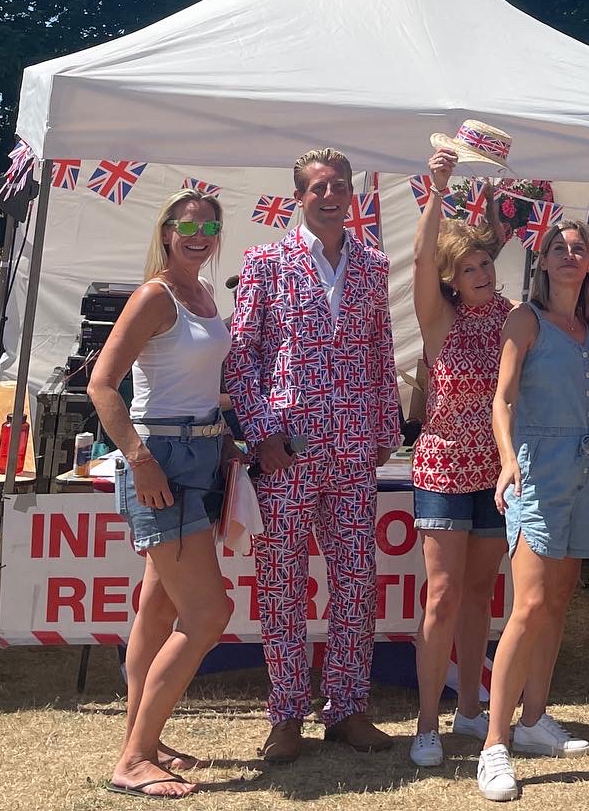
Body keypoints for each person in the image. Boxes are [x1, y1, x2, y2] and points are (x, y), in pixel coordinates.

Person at [224, 148, 399, 762]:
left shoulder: (373, 264)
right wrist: (261, 433)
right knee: (281, 583)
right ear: (298, 197)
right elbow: (241, 357)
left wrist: (385, 426)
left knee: (356, 580)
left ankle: (348, 708)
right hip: (285, 452)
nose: (329, 196)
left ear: (352, 194)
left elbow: (380, 350)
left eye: (339, 186)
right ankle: (286, 713)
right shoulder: (265, 262)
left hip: (353, 449)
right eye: (318, 188)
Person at [88, 189, 235, 799]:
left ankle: (140, 739)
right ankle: (136, 758)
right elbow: (102, 385)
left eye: (210, 228)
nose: (199, 237)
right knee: (209, 614)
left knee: (157, 610)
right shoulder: (155, 295)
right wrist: (140, 460)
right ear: (167, 231)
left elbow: (193, 381)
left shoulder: (205, 294)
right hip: (163, 459)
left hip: (201, 453)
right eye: (188, 227)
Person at [478, 219, 589, 802]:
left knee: (557, 601)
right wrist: (508, 459)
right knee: (527, 605)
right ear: (543, 261)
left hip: (585, 471)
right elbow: (502, 398)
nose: (569, 255)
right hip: (537, 470)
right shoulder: (524, 320)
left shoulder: (587, 326)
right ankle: (494, 744)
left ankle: (533, 720)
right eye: (558, 248)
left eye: (579, 248)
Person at [408, 147, 512, 768]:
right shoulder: (439, 318)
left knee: (480, 594)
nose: (481, 274)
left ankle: (471, 708)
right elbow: (422, 258)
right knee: (442, 596)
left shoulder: (512, 317)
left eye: (486, 263)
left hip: (495, 471)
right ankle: (427, 723)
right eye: (469, 268)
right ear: (451, 278)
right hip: (444, 466)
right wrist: (438, 187)